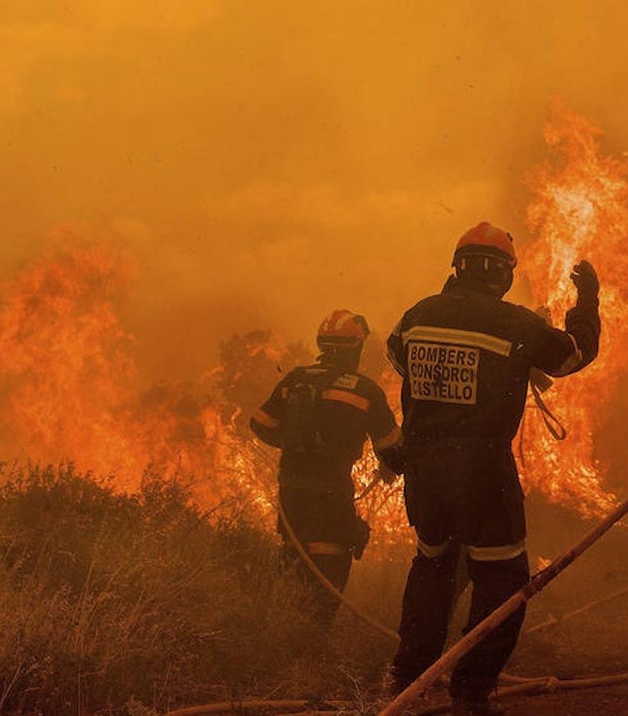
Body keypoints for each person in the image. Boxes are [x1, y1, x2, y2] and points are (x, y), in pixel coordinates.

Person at [386, 221, 600, 715]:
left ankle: (408, 674)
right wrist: (586, 300)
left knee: (433, 565)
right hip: (483, 471)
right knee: (502, 579)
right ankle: (472, 687)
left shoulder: (419, 314)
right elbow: (574, 355)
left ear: (456, 268)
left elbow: (400, 358)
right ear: (504, 276)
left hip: (426, 472)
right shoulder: (518, 325)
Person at [250, 309, 404, 627]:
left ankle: (285, 627)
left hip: (291, 489)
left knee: (295, 554)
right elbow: (392, 446)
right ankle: (312, 637)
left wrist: (297, 443)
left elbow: (260, 424)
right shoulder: (363, 390)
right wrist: (391, 464)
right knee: (331, 558)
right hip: (332, 491)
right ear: (356, 349)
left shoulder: (295, 379)